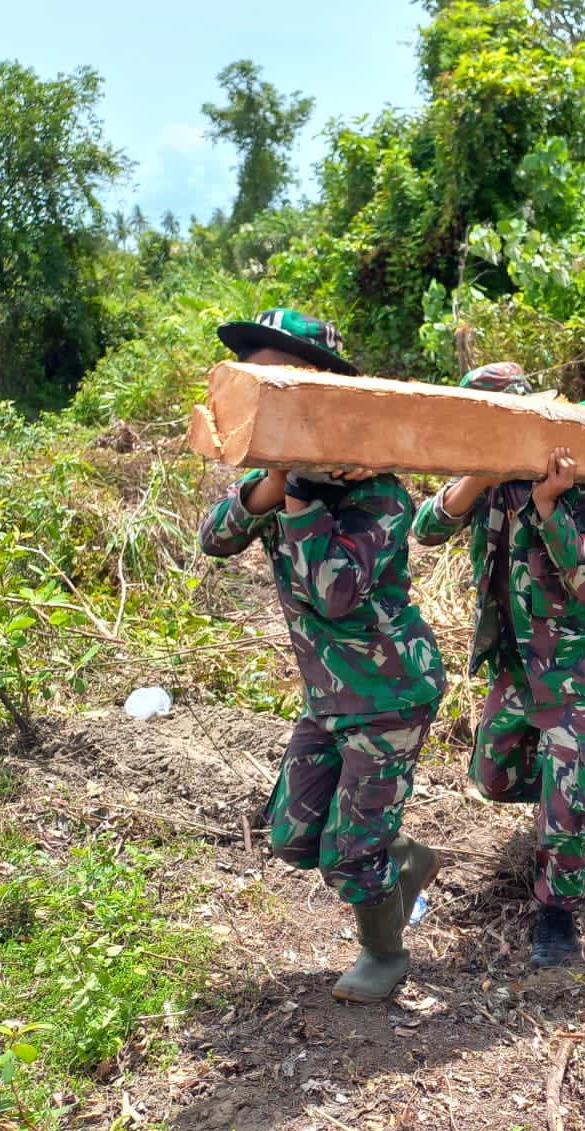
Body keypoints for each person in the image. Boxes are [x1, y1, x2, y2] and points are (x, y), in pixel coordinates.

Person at [199, 309, 445, 1003]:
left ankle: (384, 955)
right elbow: (215, 538)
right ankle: (406, 860)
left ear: (317, 392)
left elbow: (333, 592)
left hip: (390, 692)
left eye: (276, 382)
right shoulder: (276, 483)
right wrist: (271, 487)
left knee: (348, 852)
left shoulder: (378, 493)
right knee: (291, 836)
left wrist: (303, 494)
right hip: (329, 696)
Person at [411, 362, 585, 968]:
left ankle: (558, 910)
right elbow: (426, 530)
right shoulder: (486, 483)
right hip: (514, 666)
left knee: (570, 798)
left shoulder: (579, 486)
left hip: (573, 669)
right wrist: (477, 472)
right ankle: (569, 800)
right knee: (491, 777)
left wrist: (550, 507)